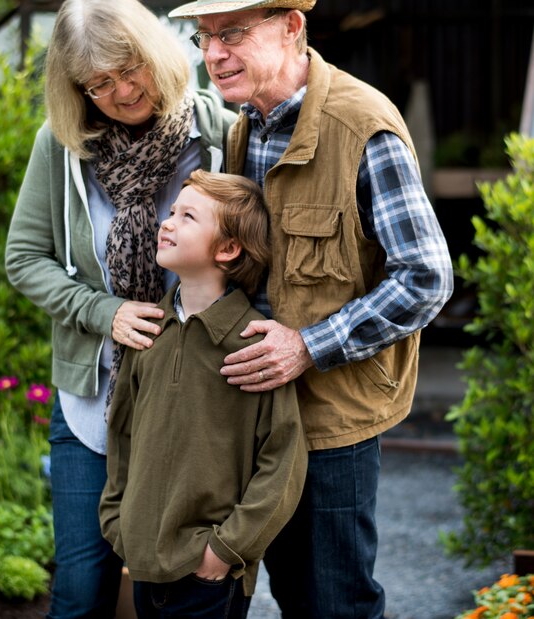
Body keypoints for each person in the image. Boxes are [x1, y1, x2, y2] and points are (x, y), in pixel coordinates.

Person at [168, 1, 455, 617]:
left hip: (330, 420)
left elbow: (426, 277)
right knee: (257, 590)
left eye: (234, 34)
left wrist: (308, 344)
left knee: (331, 603)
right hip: (252, 412)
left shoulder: (361, 123)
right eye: (205, 37)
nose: (213, 53)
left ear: (293, 28)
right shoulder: (248, 124)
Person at [4, 0, 236, 615]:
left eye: (128, 69)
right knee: (81, 591)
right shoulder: (61, 146)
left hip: (192, 404)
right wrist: (104, 312)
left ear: (155, 53)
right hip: (93, 399)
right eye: (97, 84)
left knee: (185, 590)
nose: (120, 92)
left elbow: (250, 256)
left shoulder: (216, 135)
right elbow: (25, 257)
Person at [99, 169, 308, 619]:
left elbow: (283, 459)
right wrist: (119, 523)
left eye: (187, 216)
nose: (167, 222)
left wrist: (228, 548)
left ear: (228, 249)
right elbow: (121, 436)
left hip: (210, 572)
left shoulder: (255, 345)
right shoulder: (149, 331)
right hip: (144, 560)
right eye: (172, 212)